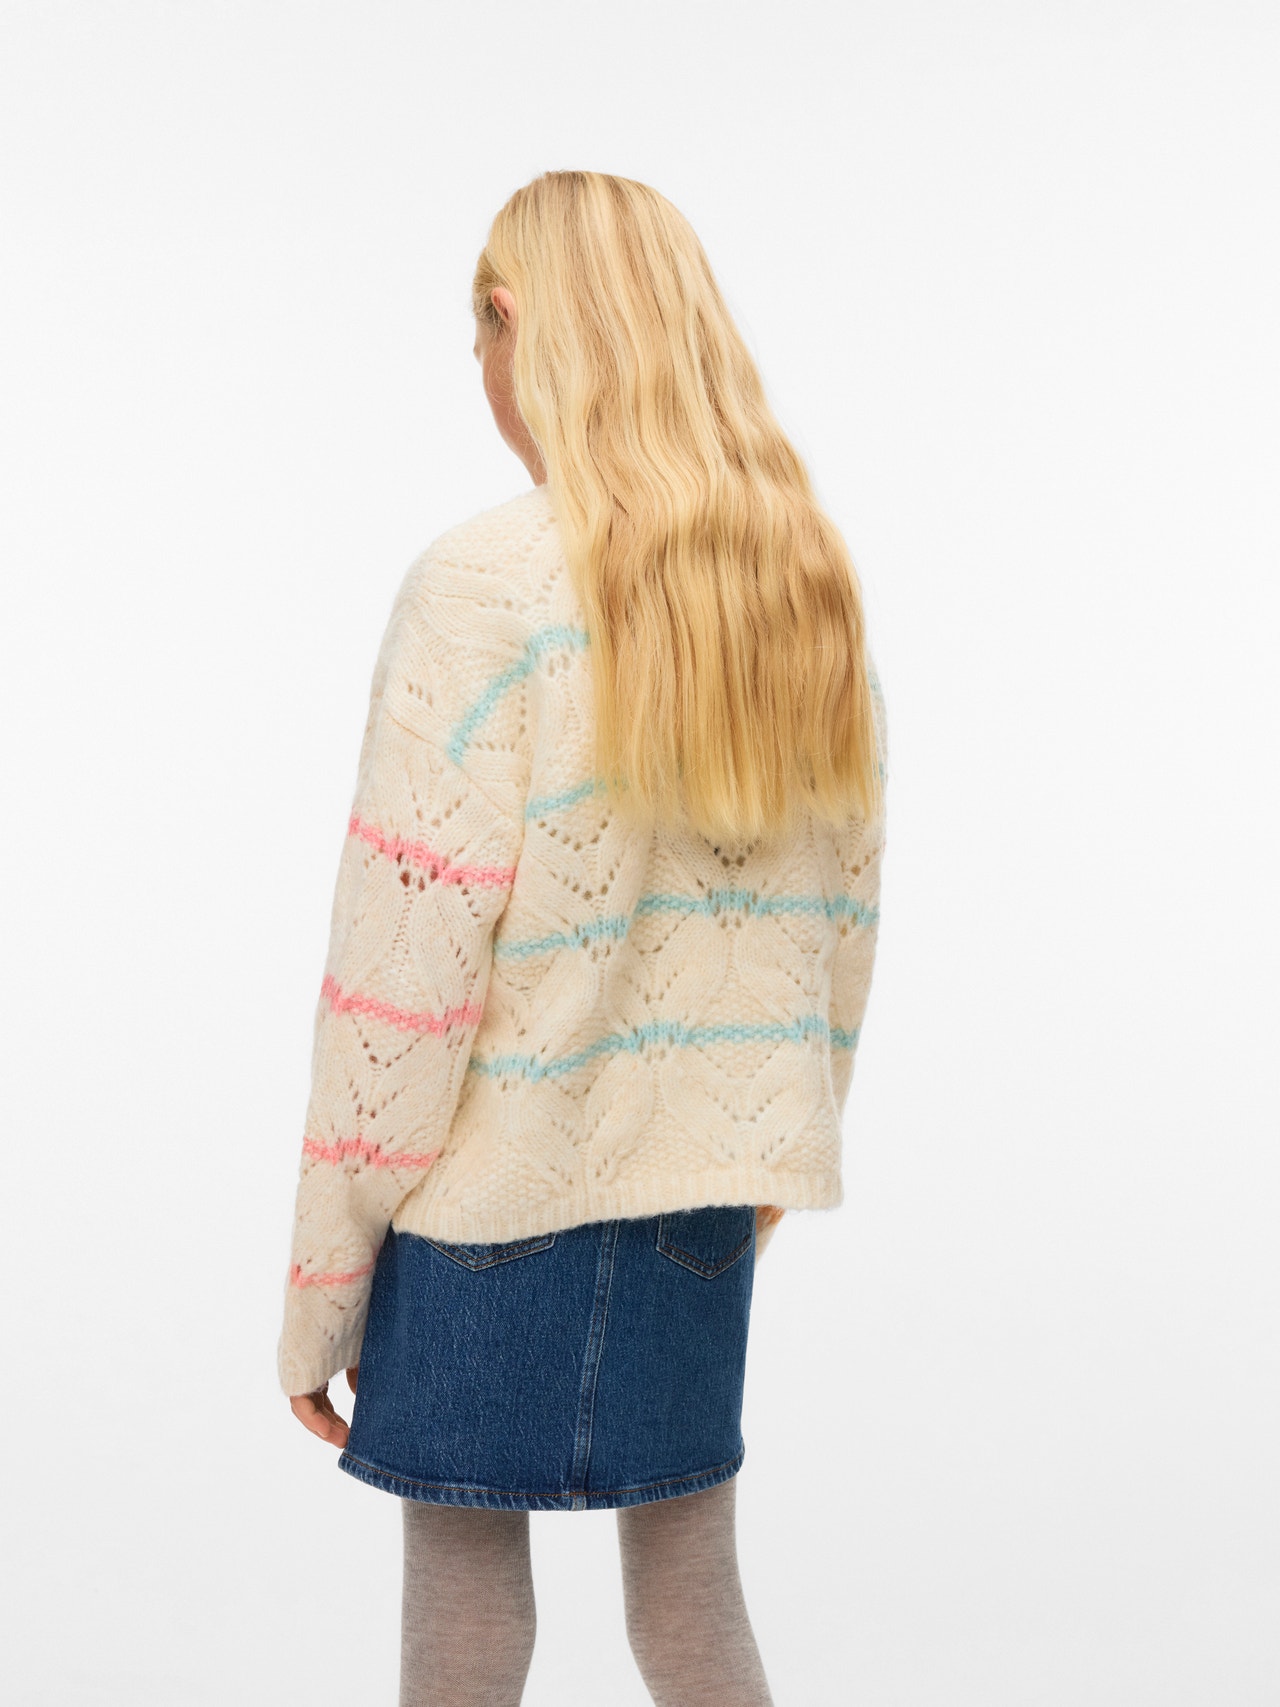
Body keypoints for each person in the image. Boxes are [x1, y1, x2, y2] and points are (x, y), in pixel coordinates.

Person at [277, 169, 888, 1707]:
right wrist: (761, 1164)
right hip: (702, 1202)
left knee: (465, 1601)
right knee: (690, 1595)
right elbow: (842, 925)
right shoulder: (796, 584)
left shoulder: (479, 589)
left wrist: (323, 1284)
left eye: (476, 341)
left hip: (490, 1205)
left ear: (509, 323)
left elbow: (400, 981)